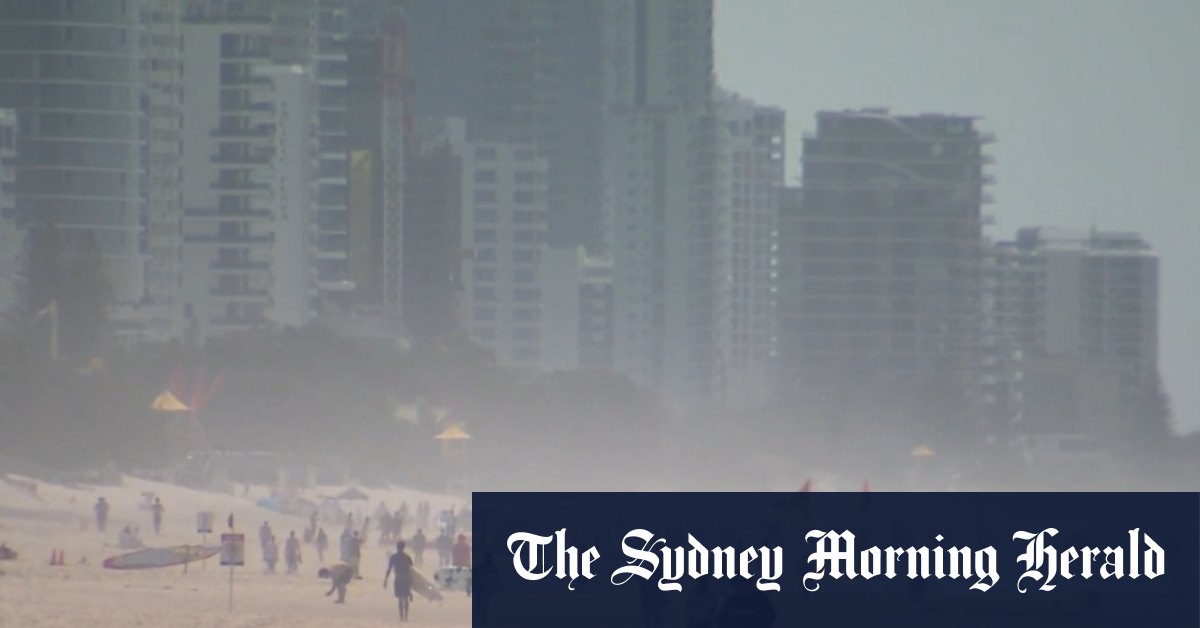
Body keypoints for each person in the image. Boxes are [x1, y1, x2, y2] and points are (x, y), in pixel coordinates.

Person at [383, 541, 414, 623]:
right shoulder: (407, 557)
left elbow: (389, 569)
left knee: (400, 598)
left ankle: (402, 617)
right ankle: (405, 617)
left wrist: (386, 579)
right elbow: (412, 570)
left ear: (397, 547)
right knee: (405, 599)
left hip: (399, 578)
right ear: (404, 547)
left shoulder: (394, 557)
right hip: (406, 578)